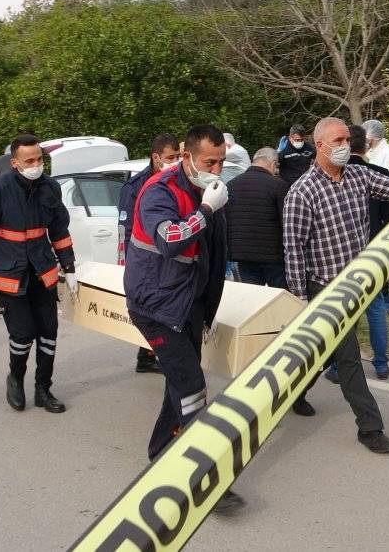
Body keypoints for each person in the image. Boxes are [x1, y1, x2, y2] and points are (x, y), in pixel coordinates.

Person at [283, 117, 389, 452]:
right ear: (319, 145)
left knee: (320, 353)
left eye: (348, 139)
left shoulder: (361, 176)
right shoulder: (302, 192)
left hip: (358, 284)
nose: (345, 145)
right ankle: (369, 428)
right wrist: (301, 301)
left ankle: (296, 394)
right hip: (325, 292)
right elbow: (294, 250)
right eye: (338, 140)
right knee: (347, 356)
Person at [123, 124, 245, 515]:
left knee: (178, 384)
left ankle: (160, 452)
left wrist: (208, 310)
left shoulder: (207, 189)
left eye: (222, 161)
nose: (217, 169)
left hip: (187, 304)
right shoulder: (159, 191)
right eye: (210, 161)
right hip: (155, 306)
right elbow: (170, 240)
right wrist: (207, 210)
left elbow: (212, 258)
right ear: (188, 157)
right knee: (193, 388)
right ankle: (204, 480)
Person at [0, 134, 77, 414]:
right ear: (15, 162)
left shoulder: (50, 188)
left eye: (39, 159)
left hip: (42, 270)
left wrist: (70, 267)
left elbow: (59, 230)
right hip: (9, 272)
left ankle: (43, 389)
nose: (36, 165)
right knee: (23, 334)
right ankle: (15, 379)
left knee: (49, 331)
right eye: (29, 161)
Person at [118, 133, 180, 374]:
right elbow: (126, 230)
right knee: (148, 310)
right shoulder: (136, 187)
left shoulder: (176, 181)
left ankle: (147, 357)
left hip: (169, 256)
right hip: (144, 260)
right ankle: (153, 356)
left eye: (177, 156)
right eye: (170, 157)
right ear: (156, 157)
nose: (174, 161)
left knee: (161, 309)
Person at [345, 125, 389, 379]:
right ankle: (381, 363)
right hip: (374, 251)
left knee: (345, 312)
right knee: (376, 309)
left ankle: (337, 365)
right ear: (366, 146)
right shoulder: (380, 173)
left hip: (342, 253)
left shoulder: (335, 174)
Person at [225, 147, 287, 289]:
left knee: (253, 297)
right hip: (273, 257)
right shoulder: (278, 185)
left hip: (242, 255)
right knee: (279, 299)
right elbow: (286, 223)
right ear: (273, 164)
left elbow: (227, 221)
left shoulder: (231, 185)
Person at [362, 119, 389, 312]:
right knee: (381, 257)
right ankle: (384, 292)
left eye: (366, 137)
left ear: (372, 137)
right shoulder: (372, 153)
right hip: (378, 212)